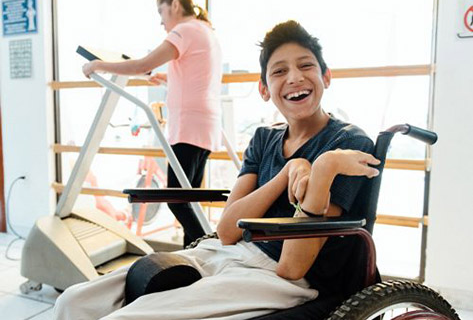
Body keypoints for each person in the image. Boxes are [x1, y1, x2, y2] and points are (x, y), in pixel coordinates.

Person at [54, 20, 380, 320]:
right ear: (264, 89)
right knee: (71, 303)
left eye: (306, 65)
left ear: (326, 76)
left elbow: (292, 266)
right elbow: (227, 230)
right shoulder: (264, 139)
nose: (294, 77)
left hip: (278, 278)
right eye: (279, 71)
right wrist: (285, 174)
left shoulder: (346, 145)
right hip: (226, 252)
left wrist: (322, 168)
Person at [82, 0, 223, 247]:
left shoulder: (185, 29)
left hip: (188, 128)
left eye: (161, 11)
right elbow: (196, 76)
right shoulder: (204, 30)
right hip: (205, 125)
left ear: (176, 4)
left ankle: (209, 245)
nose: (161, 21)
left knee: (175, 199)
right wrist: (166, 78)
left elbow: (143, 63)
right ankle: (195, 256)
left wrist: (99, 65)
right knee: (189, 199)